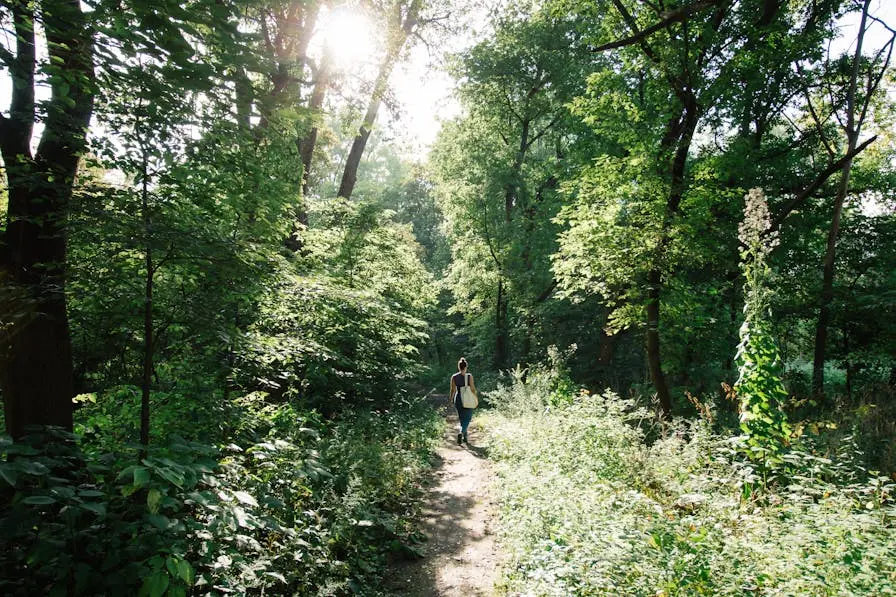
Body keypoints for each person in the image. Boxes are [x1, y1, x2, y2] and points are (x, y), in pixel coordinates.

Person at [448, 357, 478, 444]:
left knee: (462, 418)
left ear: (458, 367)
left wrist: (450, 400)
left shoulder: (454, 377)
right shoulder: (469, 376)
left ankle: (465, 437)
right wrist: (475, 397)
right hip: (468, 398)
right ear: (466, 367)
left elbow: (452, 390)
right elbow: (472, 389)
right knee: (467, 418)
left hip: (458, 398)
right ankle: (461, 432)